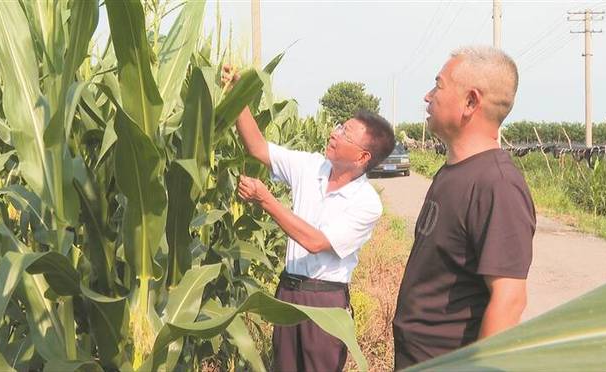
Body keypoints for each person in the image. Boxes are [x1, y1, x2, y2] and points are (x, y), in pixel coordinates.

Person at [222, 65, 395, 372]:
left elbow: (316, 242)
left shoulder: (367, 203)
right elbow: (258, 148)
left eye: (345, 133)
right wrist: (239, 95)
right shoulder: (310, 166)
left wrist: (266, 200)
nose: (334, 132)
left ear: (362, 157)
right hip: (288, 292)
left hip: (325, 304)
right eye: (339, 126)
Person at [392, 46, 536, 369]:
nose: (428, 97)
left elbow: (509, 300)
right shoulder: (452, 171)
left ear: (471, 102)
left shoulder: (497, 185)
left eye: (438, 85)